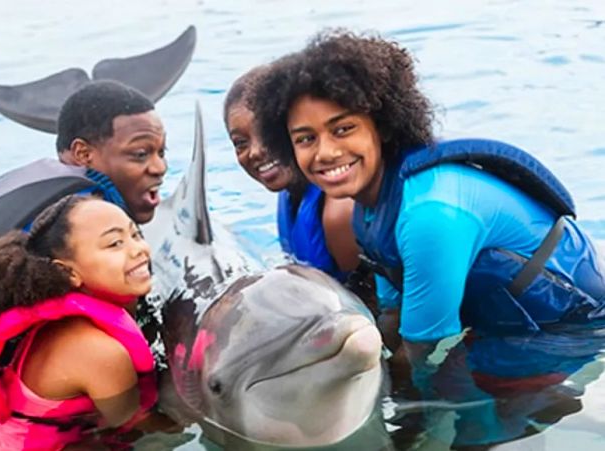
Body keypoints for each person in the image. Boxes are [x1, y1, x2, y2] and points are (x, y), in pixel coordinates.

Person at [253, 30, 605, 445]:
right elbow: (392, 313)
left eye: (343, 129)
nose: (326, 152)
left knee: (450, 408)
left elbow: (423, 350)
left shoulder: (429, 214)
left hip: (568, 326)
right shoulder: (371, 204)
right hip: (509, 319)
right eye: (305, 139)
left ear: (380, 126)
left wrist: (407, 406)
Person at [0, 80, 168, 365]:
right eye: (140, 154)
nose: (159, 168)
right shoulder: (86, 213)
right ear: (83, 154)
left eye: (161, 153)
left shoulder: (27, 182)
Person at [0, 195, 175, 450]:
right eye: (115, 243)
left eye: (135, 235)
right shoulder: (99, 352)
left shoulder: (38, 308)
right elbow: (131, 424)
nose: (139, 249)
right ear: (68, 272)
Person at [223, 64, 360, 283]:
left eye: (267, 132)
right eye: (240, 143)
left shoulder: (339, 214)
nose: (256, 151)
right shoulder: (292, 191)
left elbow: (377, 305)